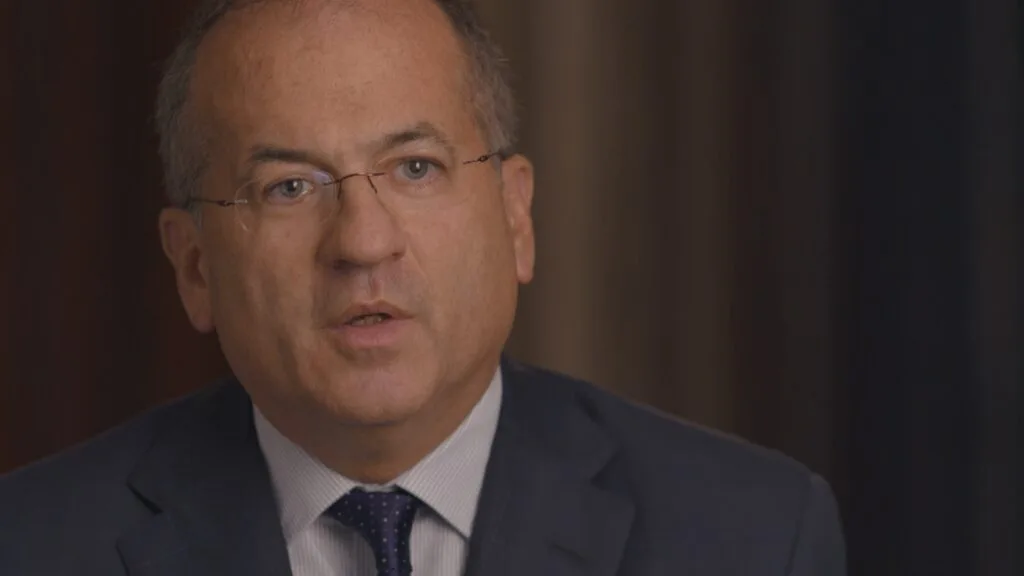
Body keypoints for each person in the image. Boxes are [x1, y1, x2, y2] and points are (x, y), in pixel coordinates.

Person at [0, 0, 846, 574]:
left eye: (415, 168)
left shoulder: (753, 537)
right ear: (194, 267)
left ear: (515, 215)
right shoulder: (32, 546)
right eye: (289, 186)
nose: (364, 242)